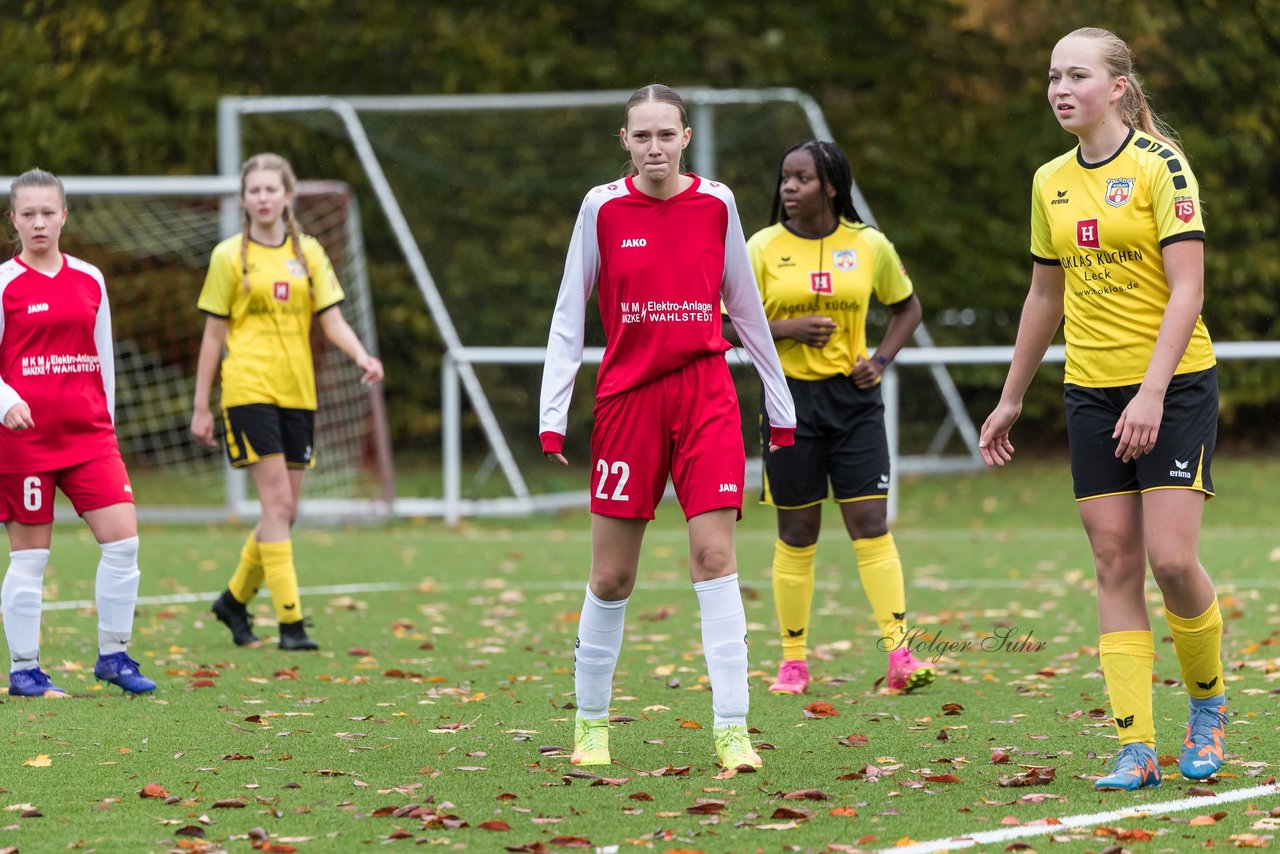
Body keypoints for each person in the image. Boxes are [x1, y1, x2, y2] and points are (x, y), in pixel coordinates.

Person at [978, 27, 1225, 791]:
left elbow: (1188, 288)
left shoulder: (1161, 167)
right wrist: (1012, 396)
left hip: (1174, 385)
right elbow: (1044, 296)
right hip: (1090, 391)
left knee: (1172, 561)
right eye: (1052, 75)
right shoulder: (1048, 179)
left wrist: (1152, 391)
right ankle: (1136, 746)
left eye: (1076, 75)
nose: (1059, 89)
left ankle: (1208, 710)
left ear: (1117, 86)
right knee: (1114, 560)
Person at [540, 84, 797, 771]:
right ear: (624, 141)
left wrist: (780, 405)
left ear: (686, 138)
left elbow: (744, 306)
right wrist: (552, 415)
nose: (655, 147)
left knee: (715, 560)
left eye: (666, 135)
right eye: (642, 136)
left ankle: (733, 730)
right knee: (613, 576)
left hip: (706, 395)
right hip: (627, 403)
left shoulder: (717, 203)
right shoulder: (601, 207)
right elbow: (570, 314)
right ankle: (591, 723)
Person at [726, 140, 934, 697]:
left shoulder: (868, 246)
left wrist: (881, 359)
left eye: (802, 179)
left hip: (854, 404)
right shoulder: (761, 248)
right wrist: (787, 331)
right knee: (798, 531)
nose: (788, 189)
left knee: (870, 523)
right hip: (789, 401)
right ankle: (793, 661)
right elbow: (721, 327)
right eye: (785, 179)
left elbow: (907, 307)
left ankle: (900, 655)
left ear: (833, 187)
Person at [191, 152, 384, 652]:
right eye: (253, 190)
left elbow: (332, 319)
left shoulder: (309, 253)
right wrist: (201, 406)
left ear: (287, 196)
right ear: (243, 199)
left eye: (270, 189)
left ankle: (233, 601)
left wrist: (363, 355)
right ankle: (291, 625)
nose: (262, 198)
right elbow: (212, 338)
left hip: (298, 393)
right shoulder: (228, 257)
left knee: (286, 511)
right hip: (247, 390)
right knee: (276, 504)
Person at [0, 169, 155, 697]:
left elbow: (103, 358)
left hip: (90, 439)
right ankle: (24, 670)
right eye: (28, 214)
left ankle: (114, 655)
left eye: (48, 212)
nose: (39, 222)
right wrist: (6, 401)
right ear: (14, 220)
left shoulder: (91, 278)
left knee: (124, 544)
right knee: (30, 558)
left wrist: (106, 422)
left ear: (64, 215)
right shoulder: (4, 284)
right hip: (26, 445)